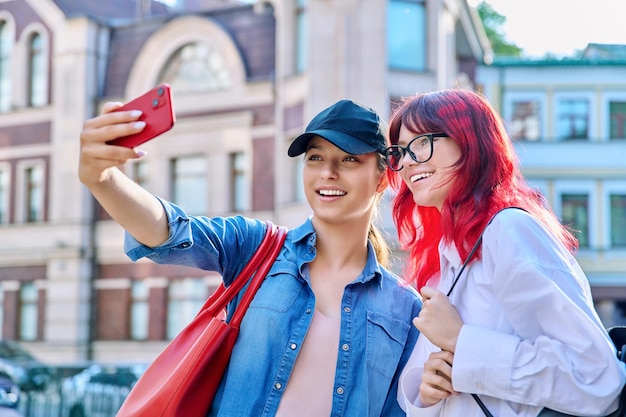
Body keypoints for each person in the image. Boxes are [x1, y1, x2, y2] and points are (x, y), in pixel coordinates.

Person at [78, 98, 422, 416]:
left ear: (382, 179)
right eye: (315, 157)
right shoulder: (256, 247)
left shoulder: (405, 309)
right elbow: (171, 231)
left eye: (349, 159)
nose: (327, 171)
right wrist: (103, 179)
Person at [383, 89, 626, 417]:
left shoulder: (508, 231)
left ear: (469, 141)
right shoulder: (442, 258)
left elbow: (597, 379)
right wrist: (427, 389)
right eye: (400, 151)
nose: (409, 161)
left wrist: (462, 342)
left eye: (423, 142)